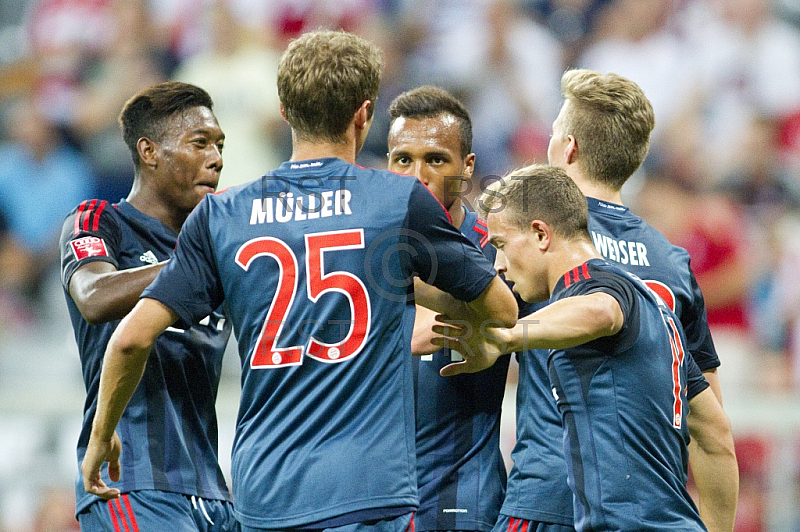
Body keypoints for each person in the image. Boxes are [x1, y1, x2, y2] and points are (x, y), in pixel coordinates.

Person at [81, 29, 518, 532]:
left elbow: (132, 338)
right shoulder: (397, 202)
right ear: (364, 113)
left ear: (284, 111)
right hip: (366, 491)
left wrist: (102, 436)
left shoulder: (223, 215)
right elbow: (500, 308)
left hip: (264, 493)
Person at [470, 69, 737, 532]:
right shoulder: (672, 262)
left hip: (548, 499)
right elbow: (709, 421)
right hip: (649, 501)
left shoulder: (527, 237)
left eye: (555, 133)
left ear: (568, 148)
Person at [59, 81, 237, 530]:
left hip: (214, 495)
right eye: (200, 143)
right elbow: (95, 297)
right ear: (149, 151)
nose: (216, 158)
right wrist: (195, 263)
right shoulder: (101, 221)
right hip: (130, 482)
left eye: (219, 145)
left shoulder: (220, 247)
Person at [386, 85, 508, 532]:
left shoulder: (499, 250)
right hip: (371, 498)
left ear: (467, 167)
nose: (417, 175)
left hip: (460, 494)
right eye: (403, 159)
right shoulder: (355, 246)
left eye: (435, 159)